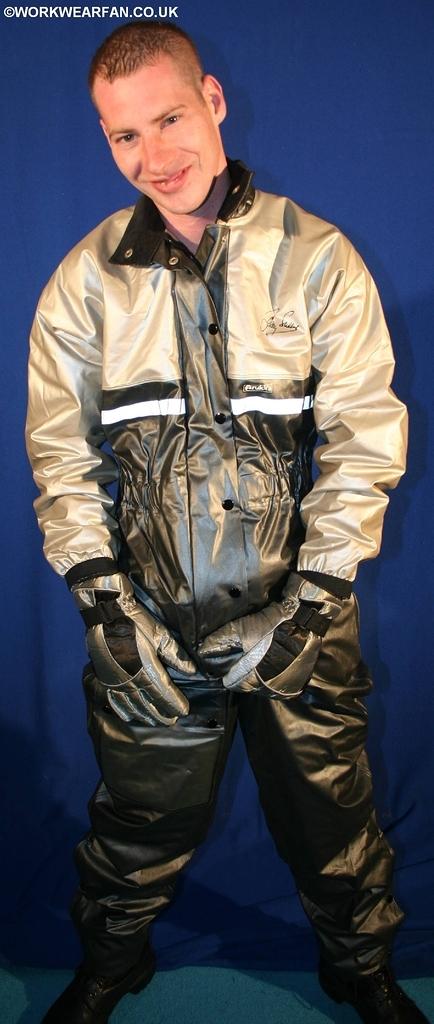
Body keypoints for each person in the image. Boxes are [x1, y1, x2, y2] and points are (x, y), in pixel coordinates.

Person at [25, 21, 426, 1024]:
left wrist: (314, 600)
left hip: (301, 616)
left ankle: (360, 971)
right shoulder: (84, 281)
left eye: (167, 118)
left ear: (211, 97)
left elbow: (365, 436)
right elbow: (59, 457)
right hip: (151, 622)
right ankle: (112, 966)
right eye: (124, 136)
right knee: (135, 825)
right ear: (104, 140)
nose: (153, 155)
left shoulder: (315, 257)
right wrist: (104, 604)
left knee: (333, 819)